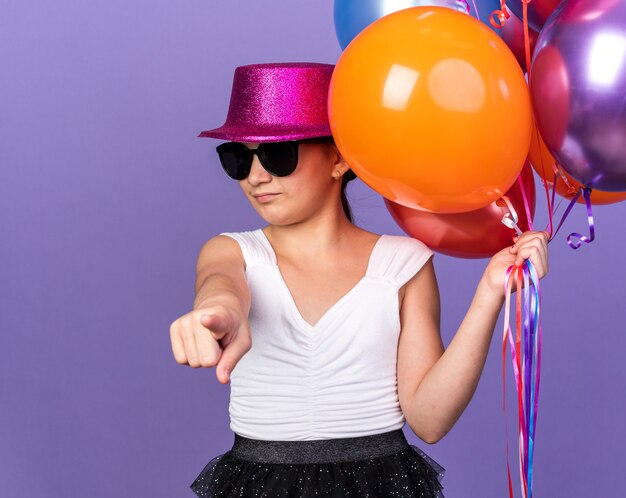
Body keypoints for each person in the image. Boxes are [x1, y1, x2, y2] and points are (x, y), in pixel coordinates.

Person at [169, 62, 549, 497]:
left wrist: (489, 294)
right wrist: (216, 313)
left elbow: (429, 419)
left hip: (380, 483)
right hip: (260, 481)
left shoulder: (403, 263)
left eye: (278, 155)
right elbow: (221, 287)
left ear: (339, 158)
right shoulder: (232, 251)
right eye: (238, 158)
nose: (256, 177)